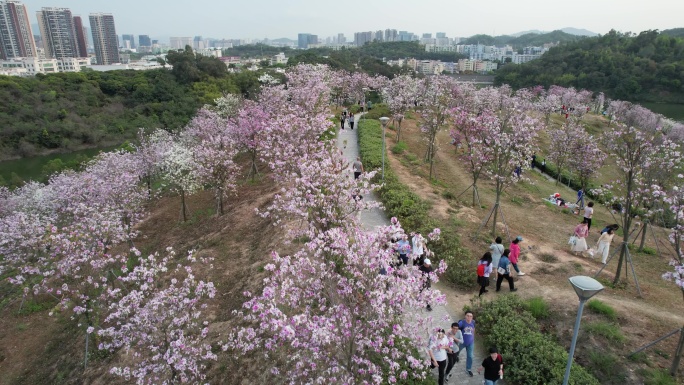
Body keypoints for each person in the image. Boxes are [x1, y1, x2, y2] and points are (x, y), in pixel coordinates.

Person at [456, 311, 476, 377]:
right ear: (465, 316)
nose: (469, 317)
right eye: (468, 316)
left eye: (471, 316)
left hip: (470, 343)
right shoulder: (462, 323)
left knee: (470, 356)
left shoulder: (473, 322)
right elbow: (456, 327)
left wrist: (473, 338)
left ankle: (468, 369)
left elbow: (473, 330)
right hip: (462, 342)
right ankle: (456, 356)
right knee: (457, 351)